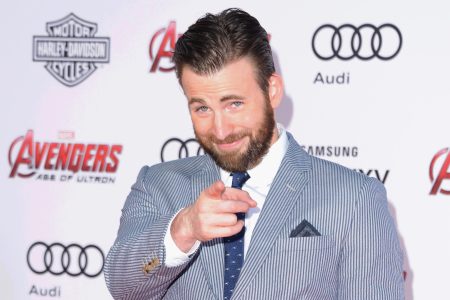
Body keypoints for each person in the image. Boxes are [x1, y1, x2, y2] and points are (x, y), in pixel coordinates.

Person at [104, 8, 404, 300]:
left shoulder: (354, 199)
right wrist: (184, 229)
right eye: (202, 108)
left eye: (234, 104)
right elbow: (122, 287)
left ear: (272, 90)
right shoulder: (158, 185)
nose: (220, 130)